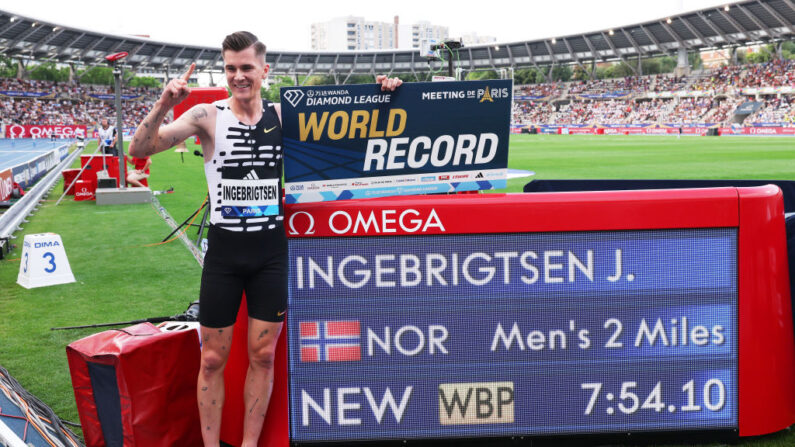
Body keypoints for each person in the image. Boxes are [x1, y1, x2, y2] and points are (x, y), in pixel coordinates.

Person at [129, 31, 401, 447]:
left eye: (246, 68)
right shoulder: (207, 115)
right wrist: (166, 101)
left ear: (264, 70)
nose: (238, 76)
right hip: (224, 253)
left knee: (263, 355)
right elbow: (140, 150)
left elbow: (354, 126)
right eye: (230, 68)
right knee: (213, 358)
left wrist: (384, 94)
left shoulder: (284, 116)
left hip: (270, 252)